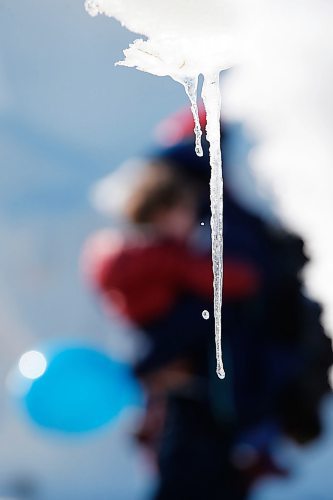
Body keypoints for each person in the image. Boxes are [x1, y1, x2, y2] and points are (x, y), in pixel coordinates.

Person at [82, 112, 332, 499]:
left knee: (188, 480)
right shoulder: (227, 222)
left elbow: (207, 311)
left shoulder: (214, 228)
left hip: (211, 387)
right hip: (227, 385)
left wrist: (150, 361)